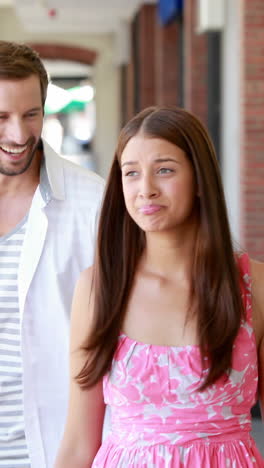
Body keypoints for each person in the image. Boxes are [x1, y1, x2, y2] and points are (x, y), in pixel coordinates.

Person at [55, 106, 264, 467]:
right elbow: (77, 443)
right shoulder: (99, 289)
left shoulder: (253, 285)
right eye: (131, 173)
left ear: (200, 179)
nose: (146, 190)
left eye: (164, 170)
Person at [0, 41, 105, 468]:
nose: (18, 135)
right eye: (1, 117)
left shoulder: (94, 203)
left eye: (31, 115)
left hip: (51, 454)